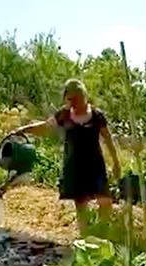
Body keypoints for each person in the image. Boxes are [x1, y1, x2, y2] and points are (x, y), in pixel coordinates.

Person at [11, 79, 121, 224]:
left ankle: (102, 232)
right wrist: (23, 130)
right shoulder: (64, 114)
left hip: (95, 165)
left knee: (105, 201)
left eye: (77, 98)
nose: (73, 102)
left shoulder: (96, 115)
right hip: (75, 167)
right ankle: (86, 238)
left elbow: (108, 139)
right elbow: (45, 127)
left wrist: (116, 162)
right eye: (70, 99)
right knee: (81, 205)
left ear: (84, 97)